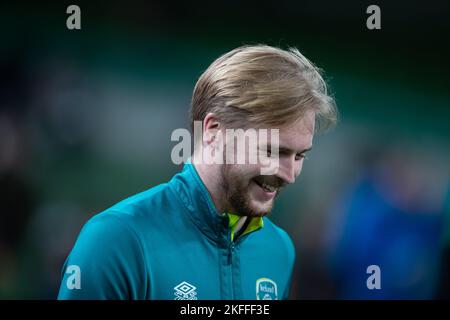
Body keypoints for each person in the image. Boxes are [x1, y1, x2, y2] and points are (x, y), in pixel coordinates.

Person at [57, 44, 337, 300]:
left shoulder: (278, 250)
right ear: (214, 131)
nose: (289, 175)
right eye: (272, 151)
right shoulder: (118, 240)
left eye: (299, 155)